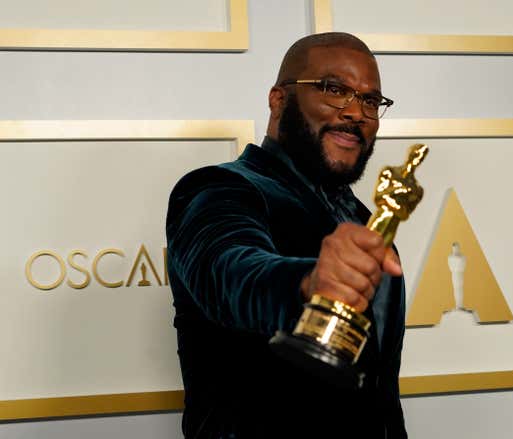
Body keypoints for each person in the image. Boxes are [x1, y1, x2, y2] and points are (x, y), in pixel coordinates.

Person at [166, 32, 407, 439]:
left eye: (370, 100)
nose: (356, 112)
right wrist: (309, 282)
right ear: (279, 99)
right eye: (335, 89)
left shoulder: (366, 221)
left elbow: (378, 397)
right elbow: (230, 270)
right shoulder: (218, 189)